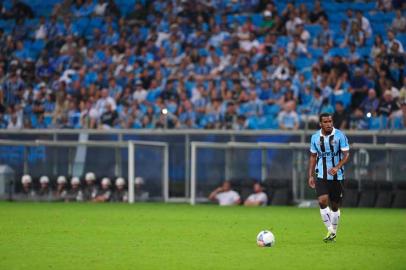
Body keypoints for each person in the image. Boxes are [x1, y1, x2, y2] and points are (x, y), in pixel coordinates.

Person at [308, 113, 350, 242]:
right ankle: (331, 231)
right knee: (322, 200)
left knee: (335, 206)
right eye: (325, 122)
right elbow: (313, 157)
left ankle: (333, 233)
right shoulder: (315, 137)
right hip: (321, 174)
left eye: (330, 121)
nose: (328, 124)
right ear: (320, 124)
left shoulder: (340, 135)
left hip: (337, 176)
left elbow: (346, 155)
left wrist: (337, 167)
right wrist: (310, 175)